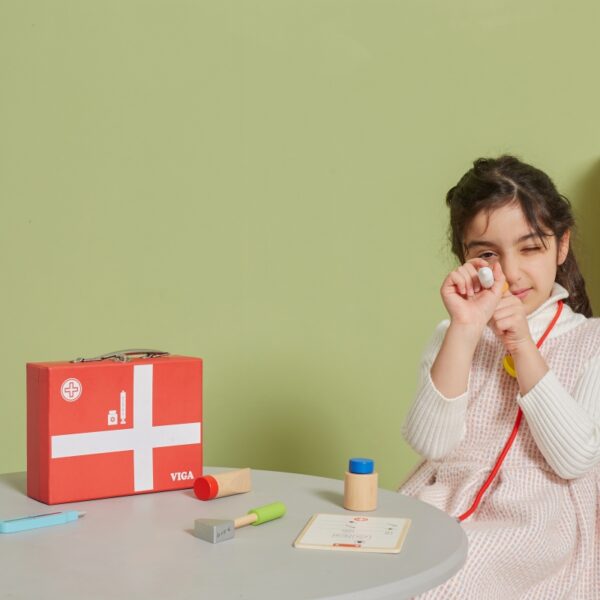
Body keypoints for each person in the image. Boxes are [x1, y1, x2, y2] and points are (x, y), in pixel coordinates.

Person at [399, 155, 600, 599]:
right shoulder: (453, 333)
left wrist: (523, 347)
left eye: (530, 248)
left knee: (443, 587)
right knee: (367, 570)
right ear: (465, 260)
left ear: (561, 246)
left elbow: (575, 460)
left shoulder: (591, 342)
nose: (510, 272)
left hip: (535, 520)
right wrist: (465, 329)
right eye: (488, 254)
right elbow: (431, 445)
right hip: (442, 503)